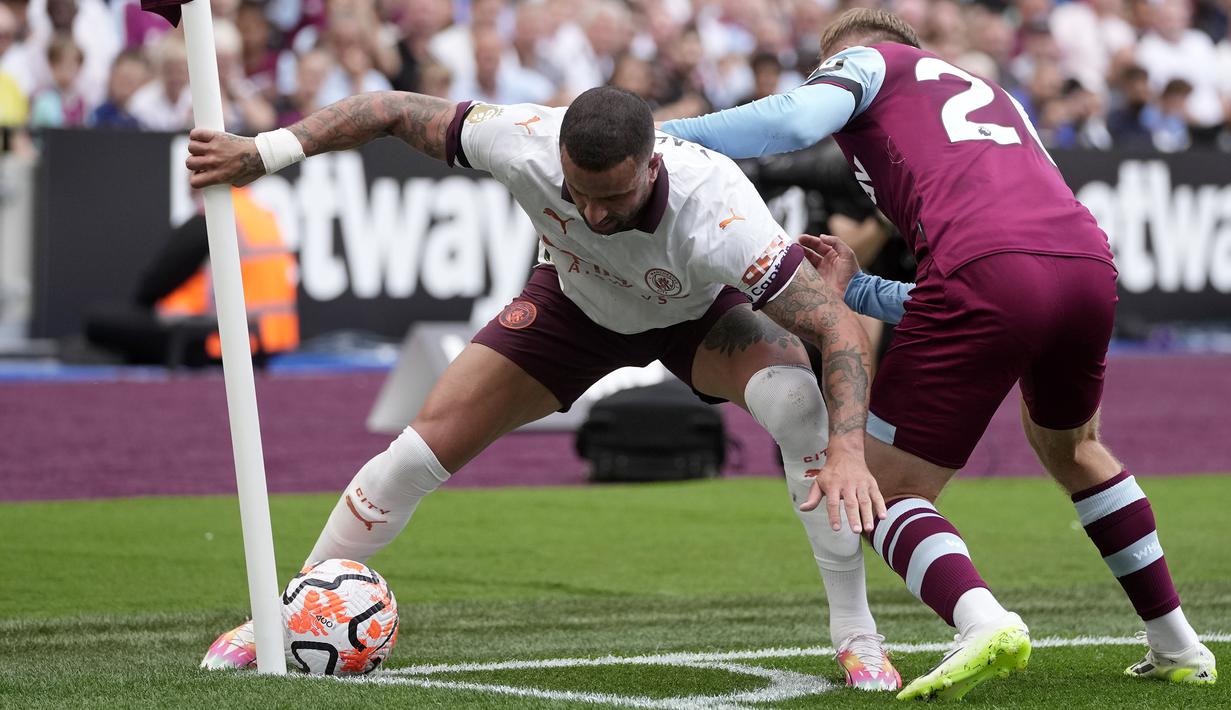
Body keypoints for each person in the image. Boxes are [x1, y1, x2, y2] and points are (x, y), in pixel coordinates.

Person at [186, 86, 900, 689]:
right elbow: (390, 110)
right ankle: (288, 613)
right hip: (571, 307)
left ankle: (856, 634)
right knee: (413, 454)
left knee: (798, 406)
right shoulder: (520, 137)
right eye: (577, 194)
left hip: (696, 315)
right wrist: (267, 151)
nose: (593, 215)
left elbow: (838, 330)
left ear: (651, 166)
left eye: (612, 197)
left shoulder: (720, 211)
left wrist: (847, 452)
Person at [661, 6, 1217, 701]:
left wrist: (660, 136)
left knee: (878, 489)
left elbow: (791, 123)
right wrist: (857, 288)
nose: (823, 86)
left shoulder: (869, 61)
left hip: (987, 272)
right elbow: (977, 281)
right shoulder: (996, 96)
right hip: (1083, 263)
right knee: (1073, 447)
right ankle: (1176, 642)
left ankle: (979, 620)